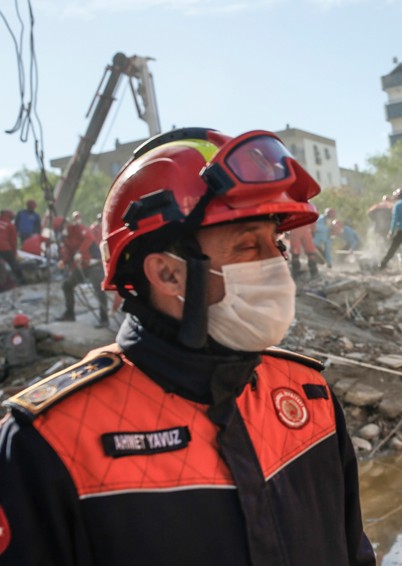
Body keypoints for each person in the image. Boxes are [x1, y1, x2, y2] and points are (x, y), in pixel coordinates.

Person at [0, 127, 376, 565]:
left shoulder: (308, 396)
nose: (276, 266)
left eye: (276, 244)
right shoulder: (49, 444)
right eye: (247, 246)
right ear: (167, 274)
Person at [55, 211, 109, 327]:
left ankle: (104, 319)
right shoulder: (65, 238)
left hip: (94, 264)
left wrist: (80, 252)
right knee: (67, 286)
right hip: (82, 266)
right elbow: (68, 252)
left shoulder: (78, 228)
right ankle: (70, 314)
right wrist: (64, 261)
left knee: (99, 290)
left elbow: (89, 239)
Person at [0, 210, 24, 286]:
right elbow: (13, 241)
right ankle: (21, 280)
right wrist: (14, 252)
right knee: (13, 263)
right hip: (5, 248)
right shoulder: (10, 226)